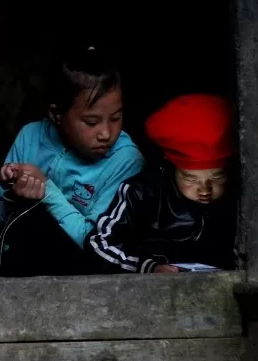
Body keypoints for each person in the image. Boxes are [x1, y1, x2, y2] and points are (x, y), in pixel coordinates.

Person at [0, 46, 144, 276]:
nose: (106, 133)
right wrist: (13, 192)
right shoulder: (31, 137)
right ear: (56, 114)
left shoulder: (125, 160)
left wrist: (46, 191)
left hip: (83, 276)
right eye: (91, 122)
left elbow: (96, 243)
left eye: (116, 118)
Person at [86, 93, 239, 274]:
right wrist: (148, 267)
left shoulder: (241, 197)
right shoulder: (141, 193)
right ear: (171, 168)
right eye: (191, 178)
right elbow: (99, 243)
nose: (205, 189)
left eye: (217, 178)